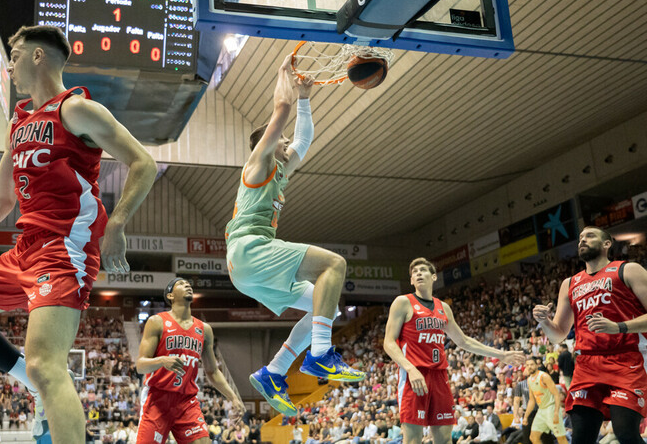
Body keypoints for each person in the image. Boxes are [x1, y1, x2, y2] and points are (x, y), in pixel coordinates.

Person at [0, 25, 157, 444]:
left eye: (15, 54)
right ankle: (29, 377)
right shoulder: (19, 121)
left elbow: (144, 163)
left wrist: (116, 223)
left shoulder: (76, 109)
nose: (9, 64)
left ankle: (41, 382)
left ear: (38, 56)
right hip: (24, 249)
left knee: (48, 364)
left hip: (65, 248)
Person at [225, 54, 363, 417]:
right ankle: (319, 354)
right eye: (282, 142)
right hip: (251, 250)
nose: (289, 146)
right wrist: (282, 72)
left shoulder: (280, 169)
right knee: (334, 264)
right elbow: (280, 108)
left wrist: (305, 98)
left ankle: (274, 371)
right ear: (270, 145)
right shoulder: (258, 162)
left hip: (247, 269)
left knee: (326, 306)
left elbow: (304, 138)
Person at [384, 258, 525, 444]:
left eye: (423, 270)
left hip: (440, 377)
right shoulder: (403, 302)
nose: (418, 273)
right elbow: (388, 342)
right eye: (414, 272)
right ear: (411, 280)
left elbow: (464, 341)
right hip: (414, 376)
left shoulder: (444, 308)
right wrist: (410, 369)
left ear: (433, 276)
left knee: (444, 439)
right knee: (412, 441)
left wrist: (501, 354)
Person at [534, 226, 647, 444]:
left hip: (626, 359)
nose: (582, 240)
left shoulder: (628, 270)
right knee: (581, 439)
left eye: (590, 236)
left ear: (607, 244)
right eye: (580, 238)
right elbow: (558, 335)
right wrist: (544, 322)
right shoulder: (570, 283)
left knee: (625, 433)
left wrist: (618, 327)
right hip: (586, 365)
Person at [136, 278, 245, 444]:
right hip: (158, 400)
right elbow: (140, 365)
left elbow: (213, 371)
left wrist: (233, 397)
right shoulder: (157, 322)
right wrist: (162, 360)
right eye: (181, 284)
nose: (187, 285)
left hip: (186, 402)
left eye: (188, 283)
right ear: (170, 296)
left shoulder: (204, 329)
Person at [523, 357, 568, 444]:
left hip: (551, 408)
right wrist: (525, 416)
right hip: (541, 410)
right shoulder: (529, 380)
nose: (529, 367)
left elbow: (556, 394)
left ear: (536, 365)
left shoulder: (544, 376)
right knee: (533, 437)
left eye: (531, 364)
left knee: (561, 438)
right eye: (527, 365)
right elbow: (532, 401)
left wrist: (556, 412)